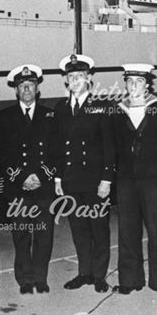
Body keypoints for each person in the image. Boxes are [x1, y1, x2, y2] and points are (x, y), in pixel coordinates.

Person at [53, 54, 115, 293]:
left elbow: (110, 146)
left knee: (99, 228)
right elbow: (58, 146)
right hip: (71, 180)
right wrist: (58, 177)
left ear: (89, 78)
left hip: (96, 181)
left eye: (80, 75)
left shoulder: (102, 106)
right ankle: (84, 272)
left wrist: (107, 179)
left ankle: (99, 275)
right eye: (71, 76)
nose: (76, 80)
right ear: (66, 81)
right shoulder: (61, 108)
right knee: (78, 228)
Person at [0, 64, 58, 294]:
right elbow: (1, 153)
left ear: (37, 88)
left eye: (30, 85)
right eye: (22, 86)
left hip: (43, 185)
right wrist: (21, 177)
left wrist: (41, 176)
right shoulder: (5, 117)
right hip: (18, 186)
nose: (26, 89)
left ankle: (40, 278)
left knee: (44, 233)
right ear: (16, 90)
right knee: (21, 234)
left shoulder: (50, 115)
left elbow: (56, 151)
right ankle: (24, 279)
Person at [111, 63, 157, 296]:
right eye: (130, 81)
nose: (134, 85)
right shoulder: (118, 110)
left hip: (153, 180)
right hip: (126, 180)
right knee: (127, 229)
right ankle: (129, 279)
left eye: (138, 81)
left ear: (147, 84)